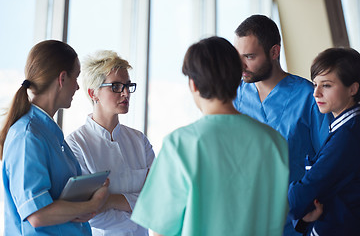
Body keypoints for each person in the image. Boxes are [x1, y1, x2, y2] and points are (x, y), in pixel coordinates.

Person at [131, 36, 289, 236]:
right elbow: (278, 214)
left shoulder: (180, 143)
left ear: (193, 85)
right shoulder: (273, 142)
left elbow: (161, 228)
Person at [232, 14, 332, 236]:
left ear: (274, 52)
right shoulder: (233, 96)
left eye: (249, 56)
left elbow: (329, 161)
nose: (241, 65)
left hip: (293, 223)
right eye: (238, 56)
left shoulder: (309, 97)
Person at [0, 40, 109, 235]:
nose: (77, 87)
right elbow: (37, 215)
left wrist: (83, 202)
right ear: (62, 78)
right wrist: (91, 205)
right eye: (76, 77)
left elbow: (57, 201)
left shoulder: (48, 133)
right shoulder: (27, 136)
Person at [66, 50, 155, 236]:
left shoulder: (140, 141)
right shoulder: (76, 145)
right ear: (93, 93)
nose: (125, 93)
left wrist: (110, 201)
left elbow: (158, 199)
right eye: (115, 86)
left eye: (128, 86)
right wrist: (139, 211)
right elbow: (88, 214)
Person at [288, 47, 360, 235]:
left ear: (353, 88)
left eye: (326, 85)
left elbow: (302, 195)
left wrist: (296, 192)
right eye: (315, 84)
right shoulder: (345, 127)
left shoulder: (347, 136)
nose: (316, 93)